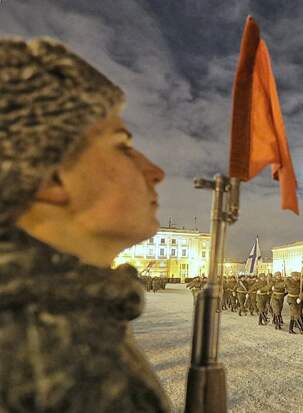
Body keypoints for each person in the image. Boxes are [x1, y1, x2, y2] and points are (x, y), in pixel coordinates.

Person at [0, 38, 170, 411]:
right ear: (52, 179)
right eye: (122, 147)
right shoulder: (56, 359)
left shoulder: (65, 312)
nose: (155, 172)